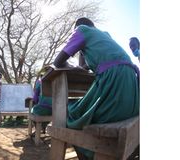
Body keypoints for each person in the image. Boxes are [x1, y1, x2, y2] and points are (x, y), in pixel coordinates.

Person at [53, 17, 139, 159]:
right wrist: (82, 51)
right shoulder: (104, 35)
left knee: (72, 115)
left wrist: (71, 62)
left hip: (115, 84)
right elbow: (85, 66)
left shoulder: (81, 30)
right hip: (132, 91)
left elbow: (58, 62)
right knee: (84, 109)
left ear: (78, 27)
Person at [31, 69, 52, 136]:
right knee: (46, 112)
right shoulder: (55, 82)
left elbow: (35, 98)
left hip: (42, 109)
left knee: (33, 112)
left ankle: (38, 130)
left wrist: (36, 102)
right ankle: (44, 128)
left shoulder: (40, 82)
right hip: (55, 110)